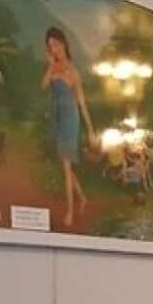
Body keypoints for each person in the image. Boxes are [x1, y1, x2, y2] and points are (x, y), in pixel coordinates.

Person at [42, 27, 96, 228]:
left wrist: (90, 129)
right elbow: (44, 85)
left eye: (55, 44)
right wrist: (50, 66)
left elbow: (81, 102)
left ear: (63, 43)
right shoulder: (53, 67)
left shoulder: (73, 71)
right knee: (66, 164)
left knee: (66, 166)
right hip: (57, 117)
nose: (53, 49)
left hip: (70, 118)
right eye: (49, 47)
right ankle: (82, 198)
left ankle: (70, 212)